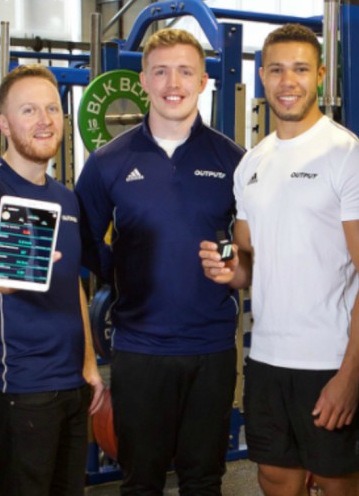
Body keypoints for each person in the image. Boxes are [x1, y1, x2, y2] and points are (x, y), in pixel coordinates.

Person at [200, 23, 359, 496]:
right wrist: (227, 270)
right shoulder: (252, 164)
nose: (289, 81)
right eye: (278, 70)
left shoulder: (349, 157)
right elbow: (248, 265)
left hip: (328, 359)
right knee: (275, 478)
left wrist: (350, 376)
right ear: (262, 76)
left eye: (301, 69)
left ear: (320, 75)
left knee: (337, 481)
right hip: (266, 357)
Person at [75, 28, 245, 495]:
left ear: (203, 81)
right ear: (144, 82)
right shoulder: (108, 161)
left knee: (204, 479)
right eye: (162, 71)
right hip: (140, 349)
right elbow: (84, 237)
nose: (174, 82)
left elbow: (250, 240)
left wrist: (228, 265)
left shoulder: (234, 160)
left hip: (210, 348)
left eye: (185, 71)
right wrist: (120, 271)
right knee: (141, 480)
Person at [0, 64, 105, 496]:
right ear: (2, 123)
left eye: (52, 109)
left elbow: (70, 283)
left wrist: (90, 363)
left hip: (72, 385)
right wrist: (5, 265)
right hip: (19, 389)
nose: (44, 120)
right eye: (28, 110)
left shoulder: (64, 197)